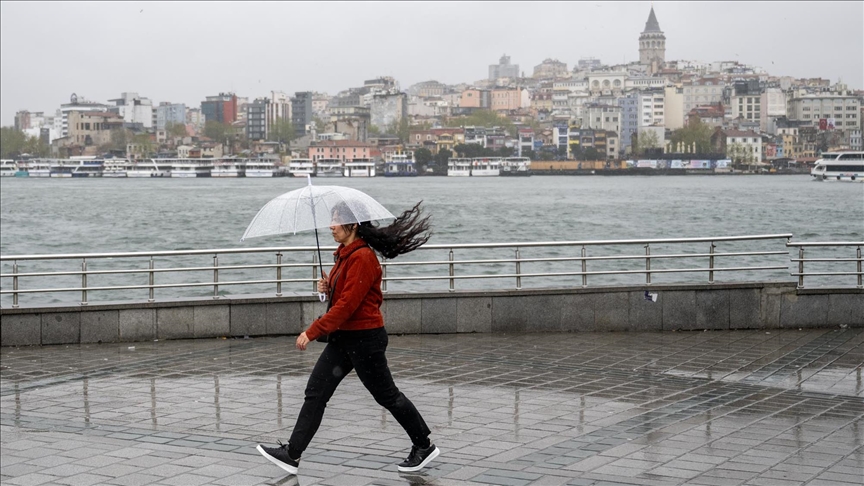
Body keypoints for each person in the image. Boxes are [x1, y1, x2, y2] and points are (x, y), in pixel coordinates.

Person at [257, 201, 440, 476]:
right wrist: (327, 286)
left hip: (365, 339)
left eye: (336, 221)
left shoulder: (363, 258)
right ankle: (292, 454)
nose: (330, 226)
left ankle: (423, 445)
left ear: (352, 225)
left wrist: (312, 331)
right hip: (344, 339)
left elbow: (347, 306)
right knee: (316, 392)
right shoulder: (345, 254)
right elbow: (343, 296)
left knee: (387, 395)